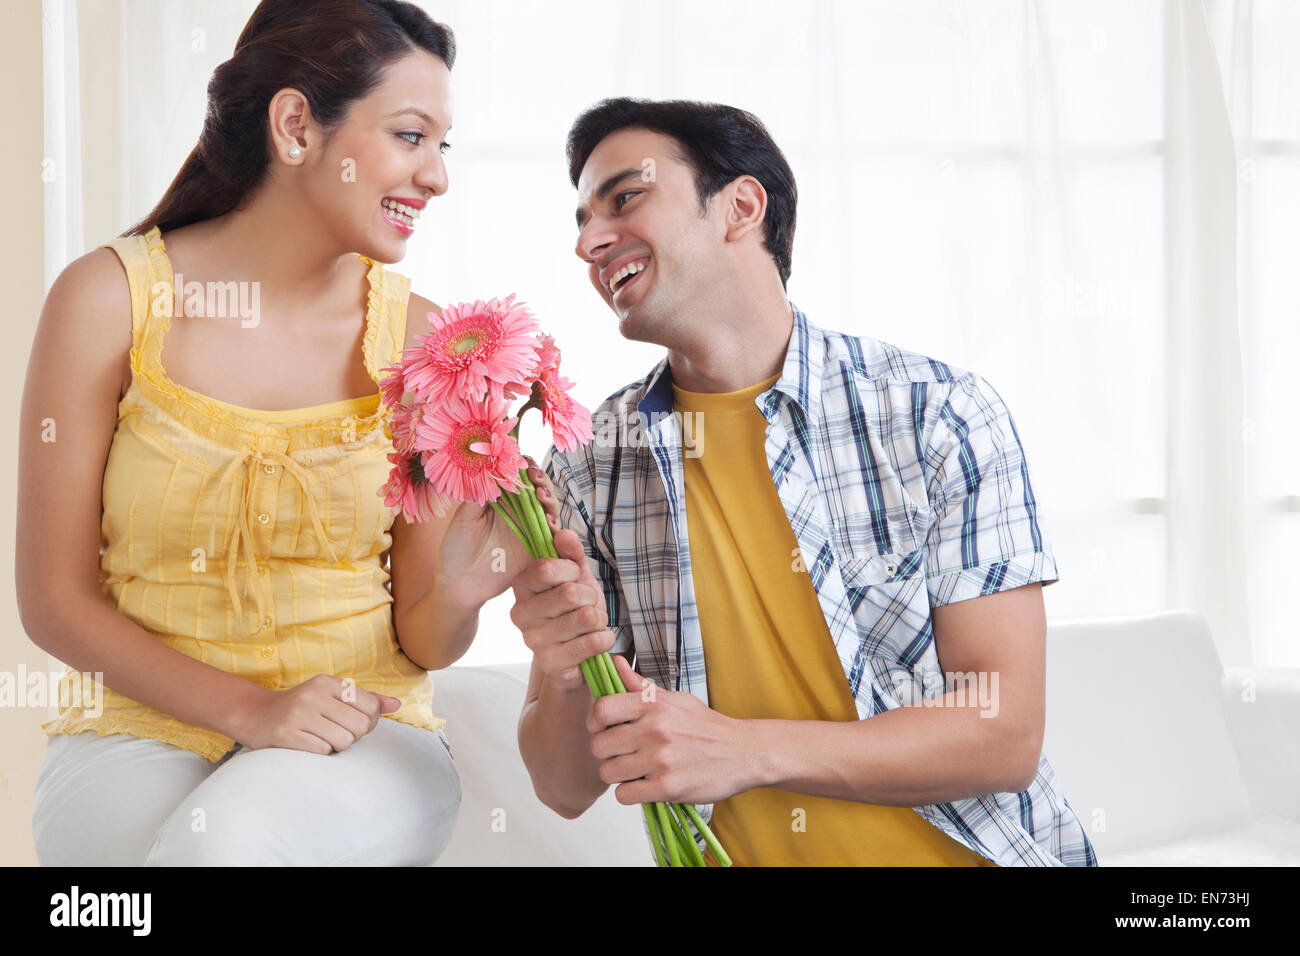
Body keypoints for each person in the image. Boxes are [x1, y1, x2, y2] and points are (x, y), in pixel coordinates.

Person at [18, 0, 559, 866]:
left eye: (442, 146)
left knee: (224, 851)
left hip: (365, 726)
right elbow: (54, 600)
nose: (437, 178)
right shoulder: (108, 300)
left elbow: (422, 637)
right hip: (136, 729)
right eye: (411, 136)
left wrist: (463, 590)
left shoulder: (420, 341)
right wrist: (250, 710)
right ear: (297, 124)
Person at [511, 97, 1099, 866]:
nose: (590, 241)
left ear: (741, 207)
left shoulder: (936, 413)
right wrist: (565, 668)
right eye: (583, 218)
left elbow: (1004, 733)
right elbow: (563, 787)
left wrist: (749, 751)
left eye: (625, 198)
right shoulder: (592, 461)